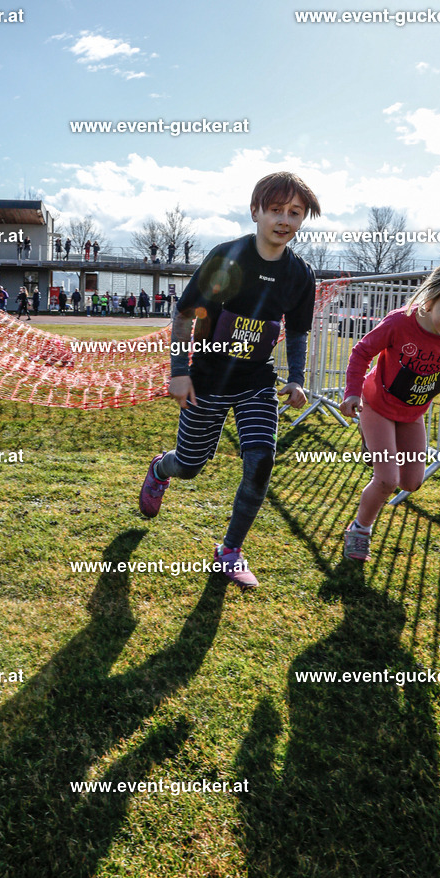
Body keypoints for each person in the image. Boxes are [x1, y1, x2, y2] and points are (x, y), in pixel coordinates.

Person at [139, 171, 321, 589]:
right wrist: (180, 372)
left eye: (295, 213)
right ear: (256, 210)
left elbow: (295, 330)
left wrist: (295, 378)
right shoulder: (228, 258)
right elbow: (184, 314)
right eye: (276, 210)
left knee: (260, 462)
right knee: (190, 465)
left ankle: (229, 551)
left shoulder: (300, 275)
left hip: (257, 380)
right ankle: (161, 469)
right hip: (206, 380)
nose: (285, 220)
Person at [339, 256, 440, 562]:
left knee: (411, 482)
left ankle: (377, 447)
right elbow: (362, 351)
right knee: (387, 480)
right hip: (376, 404)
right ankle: (359, 531)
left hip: (412, 412)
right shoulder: (399, 323)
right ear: (430, 301)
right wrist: (352, 393)